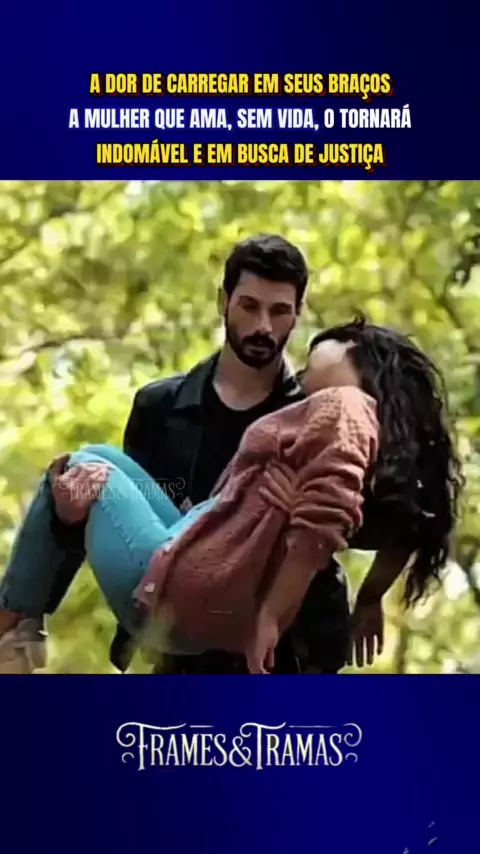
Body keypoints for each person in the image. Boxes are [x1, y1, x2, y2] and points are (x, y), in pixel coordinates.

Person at [0, 317, 462, 675]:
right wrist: (371, 597)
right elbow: (410, 526)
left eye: (314, 357)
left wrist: (271, 618)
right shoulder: (368, 438)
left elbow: (317, 532)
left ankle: (12, 627)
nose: (301, 374)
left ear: (357, 352)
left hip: (195, 592)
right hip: (204, 565)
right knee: (98, 457)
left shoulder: (346, 406)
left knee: (84, 466)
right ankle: (20, 626)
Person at [3, 234, 354, 675]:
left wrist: (362, 580)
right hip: (174, 646)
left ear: (297, 315)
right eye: (249, 306)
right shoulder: (160, 407)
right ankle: (17, 632)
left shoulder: (311, 418)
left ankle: (11, 627)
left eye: (280, 311)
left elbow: (350, 526)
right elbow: (125, 529)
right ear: (223, 302)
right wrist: (67, 517)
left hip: (266, 655)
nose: (263, 326)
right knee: (84, 465)